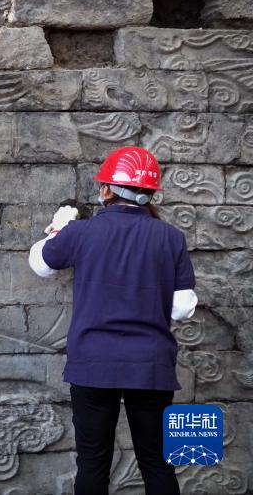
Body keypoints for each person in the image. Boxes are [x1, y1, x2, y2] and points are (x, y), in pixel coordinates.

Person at [28, 146, 198, 495]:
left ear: (106, 189)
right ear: (150, 192)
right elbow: (182, 309)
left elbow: (41, 265)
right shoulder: (171, 237)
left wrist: (58, 229)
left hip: (93, 361)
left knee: (92, 463)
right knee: (157, 462)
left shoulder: (80, 232)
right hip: (150, 365)